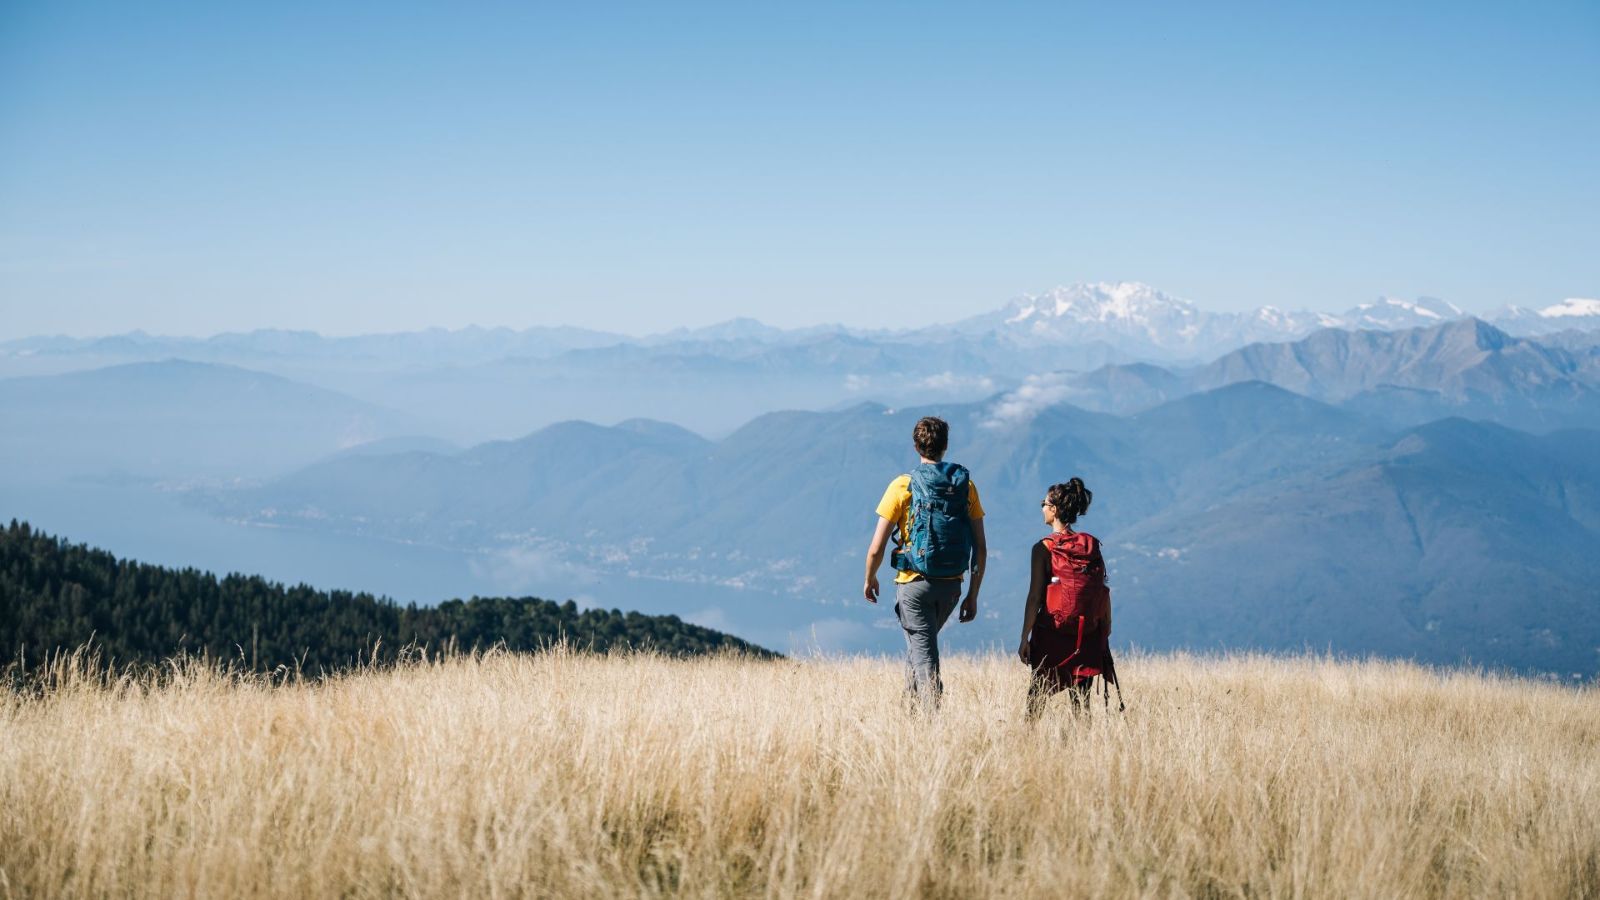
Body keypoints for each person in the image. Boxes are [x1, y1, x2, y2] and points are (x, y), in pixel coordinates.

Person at [863, 416, 987, 711]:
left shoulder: (902, 485)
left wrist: (870, 578)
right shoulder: (964, 487)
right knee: (919, 649)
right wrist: (972, 593)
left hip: (913, 585)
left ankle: (932, 722)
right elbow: (980, 549)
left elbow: (877, 547)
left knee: (924, 658)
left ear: (916, 445)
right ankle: (910, 718)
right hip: (952, 586)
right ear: (945, 446)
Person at [1018, 478, 1115, 719]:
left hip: (1052, 631)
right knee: (1081, 703)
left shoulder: (1043, 548)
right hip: (1086, 633)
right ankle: (1082, 746)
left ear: (1054, 510)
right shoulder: (1089, 546)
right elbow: (1101, 588)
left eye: (1044, 503)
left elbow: (1035, 597)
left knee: (1037, 696)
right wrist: (1104, 629)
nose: (1041, 507)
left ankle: (1027, 741)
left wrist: (1024, 637)